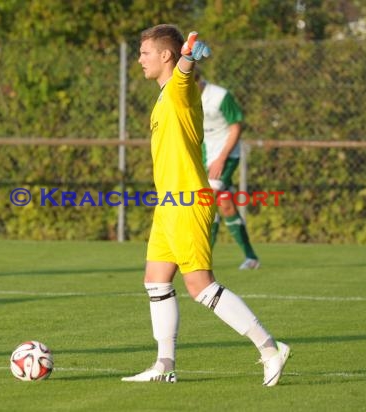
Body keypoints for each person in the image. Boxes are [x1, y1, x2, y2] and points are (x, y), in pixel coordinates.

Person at [122, 24, 290, 386]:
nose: (139, 60)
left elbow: (184, 74)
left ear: (165, 55)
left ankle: (270, 349)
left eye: (145, 53)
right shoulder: (166, 94)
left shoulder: (179, 89)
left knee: (200, 286)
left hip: (188, 201)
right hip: (168, 204)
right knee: (155, 280)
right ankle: (164, 365)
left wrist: (187, 58)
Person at [195, 70, 260, 270]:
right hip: (205, 156)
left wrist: (221, 159)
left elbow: (236, 127)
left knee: (207, 201)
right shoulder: (187, 97)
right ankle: (251, 258)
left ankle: (202, 259)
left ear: (198, 80)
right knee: (225, 206)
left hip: (226, 156)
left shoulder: (220, 96)